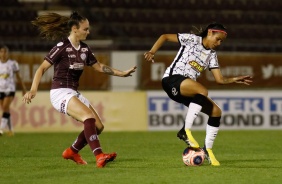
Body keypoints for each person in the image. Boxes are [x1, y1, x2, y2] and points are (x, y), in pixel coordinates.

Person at [22, 11, 137, 168]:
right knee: (88, 117)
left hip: (73, 92)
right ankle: (99, 156)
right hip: (60, 92)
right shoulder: (61, 47)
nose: (88, 32)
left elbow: (100, 67)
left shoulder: (84, 49)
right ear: (75, 28)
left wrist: (121, 73)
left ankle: (71, 151)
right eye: (85, 29)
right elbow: (42, 68)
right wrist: (33, 90)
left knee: (98, 126)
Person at [144, 23, 252, 166]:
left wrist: (234, 79)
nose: (219, 43)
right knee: (202, 90)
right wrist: (152, 51)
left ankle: (208, 150)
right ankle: (185, 130)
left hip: (186, 89)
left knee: (216, 111)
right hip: (172, 80)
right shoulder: (192, 39)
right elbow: (165, 37)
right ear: (210, 33)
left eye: (221, 41)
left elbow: (219, 80)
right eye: (218, 39)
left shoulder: (212, 55)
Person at [0, 45, 27, 136]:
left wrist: (23, 88)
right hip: (1, 89)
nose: (3, 54)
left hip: (10, 88)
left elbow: (19, 76)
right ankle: (11, 130)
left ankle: (1, 129)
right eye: (2, 52)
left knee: (5, 107)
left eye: (5, 52)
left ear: (8, 53)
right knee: (5, 109)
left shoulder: (13, 63)